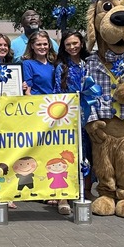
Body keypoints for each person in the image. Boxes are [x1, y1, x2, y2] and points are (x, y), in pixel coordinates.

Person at [52, 29, 91, 211]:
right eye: (68, 44)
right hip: (68, 118)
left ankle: (85, 192)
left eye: (75, 43)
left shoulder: (89, 64)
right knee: (67, 156)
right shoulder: (62, 67)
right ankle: (63, 198)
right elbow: (56, 93)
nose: (72, 47)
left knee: (87, 156)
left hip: (88, 115)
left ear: (81, 44)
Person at [21, 30, 56, 95]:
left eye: (45, 44)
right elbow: (27, 92)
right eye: (38, 44)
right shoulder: (28, 64)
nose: (42, 47)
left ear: (49, 45)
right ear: (32, 46)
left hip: (55, 102)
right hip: (38, 102)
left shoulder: (54, 63)